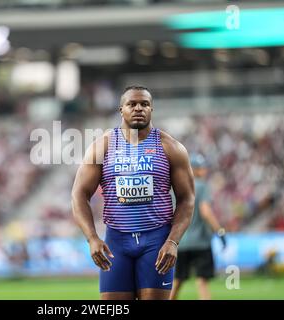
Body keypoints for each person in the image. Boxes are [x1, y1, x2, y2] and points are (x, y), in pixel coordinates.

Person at [71, 85, 195, 300]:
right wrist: (92, 238)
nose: (138, 108)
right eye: (132, 104)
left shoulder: (171, 147)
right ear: (121, 109)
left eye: (144, 104)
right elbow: (79, 194)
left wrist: (173, 241)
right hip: (116, 242)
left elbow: (187, 199)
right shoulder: (103, 147)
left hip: (157, 241)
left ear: (152, 109)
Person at [170, 153, 227, 300]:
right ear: (193, 169)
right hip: (200, 242)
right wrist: (219, 231)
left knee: (177, 281)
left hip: (180, 241)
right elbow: (206, 212)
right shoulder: (202, 186)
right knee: (202, 281)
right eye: (201, 168)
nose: (204, 170)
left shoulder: (176, 185)